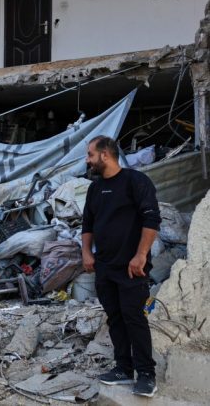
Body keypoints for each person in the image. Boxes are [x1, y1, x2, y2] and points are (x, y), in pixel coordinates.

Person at [82, 136, 160, 398]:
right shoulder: (94, 189)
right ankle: (123, 368)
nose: (87, 160)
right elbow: (87, 225)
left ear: (105, 154)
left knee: (134, 317)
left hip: (131, 267)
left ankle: (146, 374)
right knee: (114, 317)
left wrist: (141, 255)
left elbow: (152, 220)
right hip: (104, 267)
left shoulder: (136, 182)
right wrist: (86, 253)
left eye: (90, 155)